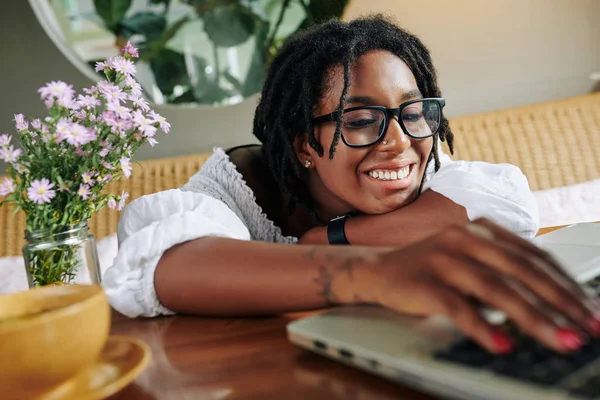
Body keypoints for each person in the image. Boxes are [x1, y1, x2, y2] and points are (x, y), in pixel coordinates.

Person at [104, 15, 599, 355]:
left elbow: (508, 203)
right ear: (303, 145)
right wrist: (377, 271)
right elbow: (163, 267)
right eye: (361, 120)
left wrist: (330, 237)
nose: (398, 142)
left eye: (411, 111)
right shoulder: (234, 190)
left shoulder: (420, 156)